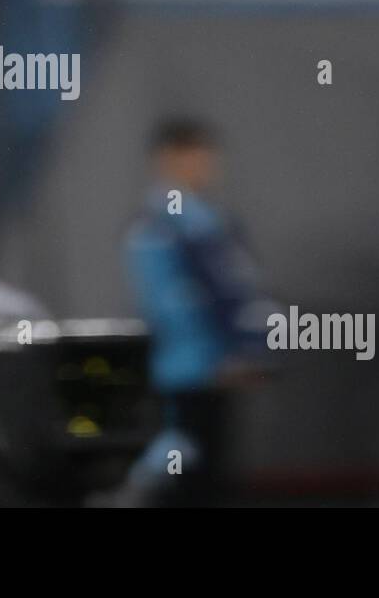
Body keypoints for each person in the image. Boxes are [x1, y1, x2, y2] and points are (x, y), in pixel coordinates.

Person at [123, 118, 267, 506]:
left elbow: (239, 292)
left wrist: (248, 350)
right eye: (194, 156)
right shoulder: (160, 224)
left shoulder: (211, 221)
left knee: (210, 474)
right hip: (186, 374)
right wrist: (216, 358)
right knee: (184, 476)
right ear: (167, 158)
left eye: (208, 156)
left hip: (214, 372)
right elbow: (170, 302)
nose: (204, 166)